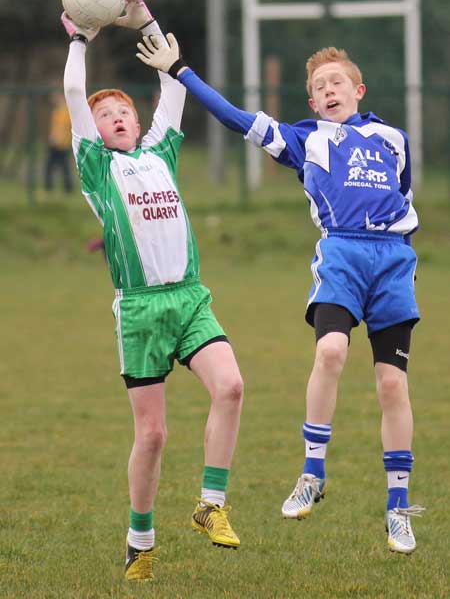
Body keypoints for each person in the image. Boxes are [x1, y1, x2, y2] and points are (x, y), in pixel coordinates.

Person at [136, 34, 425, 554]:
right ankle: (313, 472)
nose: (329, 89)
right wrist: (181, 71)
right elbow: (233, 117)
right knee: (331, 350)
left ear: (357, 89)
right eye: (319, 87)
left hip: (394, 263)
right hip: (341, 255)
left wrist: (400, 255)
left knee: (391, 388)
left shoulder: (393, 138)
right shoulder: (305, 139)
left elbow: (402, 197)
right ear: (313, 103)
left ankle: (398, 508)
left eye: (337, 81)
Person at [61, 0, 244, 583]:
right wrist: (80, 38)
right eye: (105, 114)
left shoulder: (161, 150)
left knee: (233, 387)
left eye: (123, 111)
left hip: (191, 297)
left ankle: (211, 505)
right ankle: (140, 543)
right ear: (95, 131)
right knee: (155, 433)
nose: (115, 116)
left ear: (139, 122)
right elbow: (72, 96)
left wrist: (147, 23)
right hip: (140, 311)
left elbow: (175, 85)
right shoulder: (98, 168)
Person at [44, 89, 74, 194]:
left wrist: (63, 139)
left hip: (63, 144)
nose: (54, 100)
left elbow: (69, 128)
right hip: (54, 144)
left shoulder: (67, 112)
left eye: (56, 97)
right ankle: (48, 188)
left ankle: (68, 189)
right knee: (49, 166)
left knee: (65, 167)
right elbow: (55, 128)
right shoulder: (56, 112)